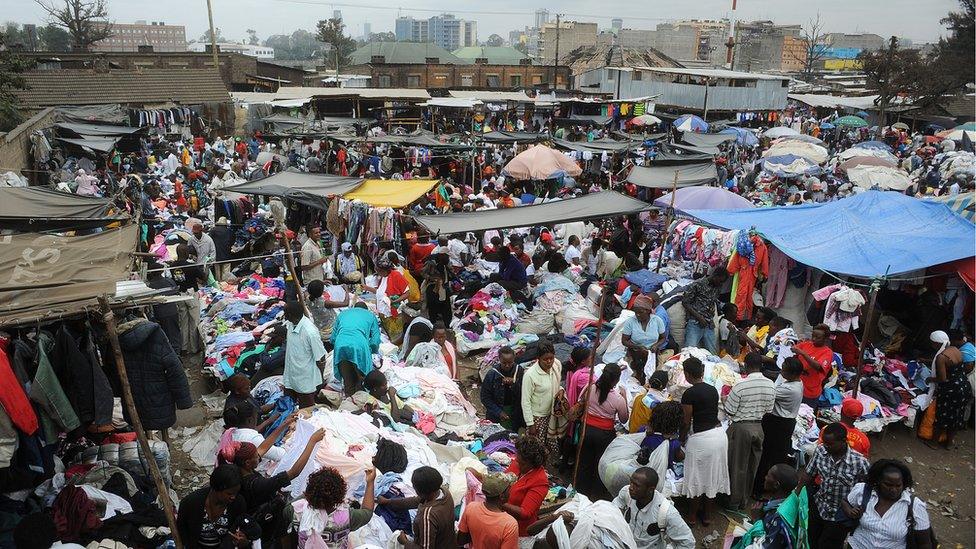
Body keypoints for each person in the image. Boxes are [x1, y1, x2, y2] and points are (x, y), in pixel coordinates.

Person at [224, 429, 325, 546]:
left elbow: (263, 448)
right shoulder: (258, 485)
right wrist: (312, 441)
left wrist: (284, 423)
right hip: (264, 523)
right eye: (256, 456)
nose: (259, 455)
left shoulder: (240, 469)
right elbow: (294, 472)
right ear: (247, 462)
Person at [798, 422, 869, 549]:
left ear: (843, 441)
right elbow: (809, 474)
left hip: (840, 515)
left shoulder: (859, 462)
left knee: (829, 545)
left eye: (830, 444)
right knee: (810, 540)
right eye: (824, 442)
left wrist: (855, 509)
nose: (826, 446)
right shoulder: (820, 451)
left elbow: (866, 490)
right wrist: (796, 493)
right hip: (819, 506)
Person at [680, 356, 728, 527]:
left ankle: (692, 517)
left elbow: (686, 422)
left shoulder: (689, 393)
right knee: (712, 477)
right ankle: (707, 517)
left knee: (696, 478)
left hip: (702, 439)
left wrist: (680, 440)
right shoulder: (712, 389)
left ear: (687, 373)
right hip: (719, 436)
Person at [842, 459, 933, 549]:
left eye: (898, 486)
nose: (893, 490)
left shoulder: (915, 506)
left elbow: (924, 543)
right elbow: (845, 501)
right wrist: (850, 511)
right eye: (888, 485)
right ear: (878, 481)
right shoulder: (863, 491)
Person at [725, 351, 776, 511]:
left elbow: (730, 411)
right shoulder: (771, 384)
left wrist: (725, 400)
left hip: (741, 428)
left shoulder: (740, 385)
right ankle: (744, 500)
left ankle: (733, 502)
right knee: (752, 466)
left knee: (738, 466)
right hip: (759, 427)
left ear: (746, 366)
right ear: (761, 366)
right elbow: (769, 409)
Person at [576, 363, 629, 499]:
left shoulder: (590, 387)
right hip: (604, 434)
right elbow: (624, 419)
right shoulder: (618, 398)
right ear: (616, 380)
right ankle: (597, 495)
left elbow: (580, 401)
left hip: (586, 430)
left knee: (584, 462)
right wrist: (625, 397)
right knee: (600, 463)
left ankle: (581, 493)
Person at [753, 357, 804, 499]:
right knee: (774, 455)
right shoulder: (796, 382)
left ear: (793, 374)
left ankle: (760, 490)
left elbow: (767, 393)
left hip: (779, 424)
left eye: (784, 370)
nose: (781, 371)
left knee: (767, 456)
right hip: (782, 423)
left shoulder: (790, 389)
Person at [613, 467, 696, 549]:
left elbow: (688, 542)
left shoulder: (667, 512)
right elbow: (613, 507)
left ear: (650, 489)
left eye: (636, 485)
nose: (631, 487)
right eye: (631, 482)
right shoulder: (626, 493)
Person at [295, 466, 377, 548]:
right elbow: (367, 512)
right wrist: (370, 482)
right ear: (341, 495)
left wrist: (314, 489)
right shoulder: (347, 518)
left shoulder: (295, 510)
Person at [734, 464, 806, 549]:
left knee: (737, 536)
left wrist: (757, 519)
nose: (765, 477)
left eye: (768, 475)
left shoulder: (779, 518)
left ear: (776, 484)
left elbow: (766, 546)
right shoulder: (790, 501)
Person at [177, 465, 249, 548]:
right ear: (216, 488)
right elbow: (182, 531)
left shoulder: (238, 504)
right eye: (229, 493)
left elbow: (241, 529)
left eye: (236, 493)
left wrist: (243, 541)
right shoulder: (191, 503)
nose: (233, 497)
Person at [929, 329, 974, 449]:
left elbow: (942, 379)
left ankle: (934, 443)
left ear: (936, 343)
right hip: (964, 386)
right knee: (956, 416)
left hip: (951, 389)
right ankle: (949, 444)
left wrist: (930, 379)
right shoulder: (955, 349)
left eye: (932, 343)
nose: (932, 346)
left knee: (942, 415)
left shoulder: (941, 357)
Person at [520, 339, 565, 456]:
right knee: (536, 449)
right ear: (538, 358)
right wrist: (531, 424)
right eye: (545, 359)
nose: (549, 362)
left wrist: (561, 390)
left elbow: (557, 383)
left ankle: (548, 466)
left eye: (551, 358)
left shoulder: (557, 365)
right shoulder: (530, 375)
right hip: (538, 417)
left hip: (552, 413)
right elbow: (525, 401)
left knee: (551, 444)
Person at [397, 467, 457, 549]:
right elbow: (414, 501)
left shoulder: (427, 516)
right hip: (449, 542)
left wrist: (405, 542)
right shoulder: (444, 492)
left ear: (419, 491)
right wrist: (387, 502)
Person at [457, 472, 520, 549]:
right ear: (502, 496)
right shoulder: (509, 524)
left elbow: (461, 540)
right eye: (509, 489)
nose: (510, 492)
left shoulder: (471, 508)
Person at [221, 401, 293, 467]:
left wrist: (283, 424)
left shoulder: (229, 432)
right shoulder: (253, 439)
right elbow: (281, 455)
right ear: (250, 420)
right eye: (256, 417)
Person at [332, 302, 382, 397]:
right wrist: (372, 351)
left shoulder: (343, 314)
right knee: (362, 379)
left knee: (348, 380)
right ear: (366, 310)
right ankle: (360, 403)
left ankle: (349, 404)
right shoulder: (370, 316)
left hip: (340, 344)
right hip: (359, 345)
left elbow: (333, 338)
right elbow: (375, 340)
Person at [283, 301, 328, 407]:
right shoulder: (290, 324)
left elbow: (321, 358)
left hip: (305, 381)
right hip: (290, 376)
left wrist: (320, 380)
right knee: (287, 406)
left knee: (306, 410)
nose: (284, 316)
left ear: (289, 315)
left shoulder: (310, 332)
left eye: (285, 313)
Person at [682, 267, 729, 354]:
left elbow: (713, 302)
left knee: (713, 353)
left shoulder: (718, 287)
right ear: (715, 276)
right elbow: (685, 303)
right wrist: (699, 317)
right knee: (688, 352)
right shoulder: (697, 284)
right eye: (720, 280)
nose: (721, 283)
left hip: (709, 324)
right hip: (695, 322)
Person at [621, 295, 668, 379]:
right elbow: (624, 341)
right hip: (635, 354)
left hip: (652, 354)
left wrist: (655, 345)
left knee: (651, 376)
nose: (637, 315)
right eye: (636, 312)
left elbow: (663, 337)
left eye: (640, 312)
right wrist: (637, 347)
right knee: (636, 375)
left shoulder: (657, 321)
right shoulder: (630, 322)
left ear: (648, 311)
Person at [637, 400, 684, 482]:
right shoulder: (673, 443)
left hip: (640, 470)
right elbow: (679, 458)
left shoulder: (642, 431)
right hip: (660, 476)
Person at [793, 324, 834, 407]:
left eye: (817, 337)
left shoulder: (827, 352)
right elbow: (793, 348)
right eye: (813, 336)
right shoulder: (806, 344)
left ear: (825, 339)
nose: (814, 339)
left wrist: (803, 354)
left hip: (810, 392)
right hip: (797, 387)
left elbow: (818, 366)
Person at [482, 346, 519, 427]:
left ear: (514, 359)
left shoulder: (519, 371)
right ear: (499, 359)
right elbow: (485, 397)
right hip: (496, 413)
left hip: (514, 412)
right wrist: (498, 412)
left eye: (510, 363)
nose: (507, 366)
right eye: (504, 363)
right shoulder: (492, 374)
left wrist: (514, 382)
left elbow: (525, 390)